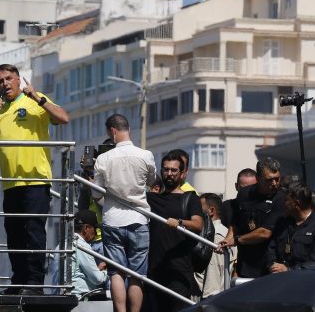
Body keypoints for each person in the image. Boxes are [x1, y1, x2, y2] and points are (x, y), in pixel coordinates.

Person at [0, 64, 69, 295]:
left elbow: (63, 118)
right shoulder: (0, 109)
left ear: (19, 79)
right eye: (0, 81)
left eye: (9, 78)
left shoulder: (34, 100)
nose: (5, 84)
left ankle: (35, 283)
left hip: (35, 180)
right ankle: (18, 281)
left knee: (33, 232)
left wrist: (38, 98)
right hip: (11, 183)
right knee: (14, 234)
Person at [92, 114, 155, 312]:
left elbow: (96, 193)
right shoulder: (146, 155)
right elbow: (151, 181)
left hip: (112, 219)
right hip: (139, 218)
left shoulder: (103, 158)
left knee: (116, 273)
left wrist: (107, 203)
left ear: (112, 131)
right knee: (137, 275)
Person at [145, 151, 204, 311]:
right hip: (155, 268)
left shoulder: (190, 198)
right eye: (166, 169)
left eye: (173, 170)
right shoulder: (152, 198)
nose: (169, 173)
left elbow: (198, 224)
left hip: (180, 268)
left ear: (182, 173)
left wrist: (179, 222)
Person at [220, 157, 286, 278]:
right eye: (269, 180)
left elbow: (265, 233)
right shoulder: (244, 194)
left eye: (277, 179)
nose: (274, 183)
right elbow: (235, 222)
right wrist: (228, 239)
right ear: (258, 178)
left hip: (270, 263)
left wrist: (237, 240)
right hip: (246, 262)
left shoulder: (281, 198)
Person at [266, 183, 315, 273]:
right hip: (278, 277)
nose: (283, 204)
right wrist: (273, 264)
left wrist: (288, 270)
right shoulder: (282, 222)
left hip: (305, 278)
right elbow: (271, 248)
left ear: (297, 204)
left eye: (286, 200)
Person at [195, 193, 233, 299]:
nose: (195, 211)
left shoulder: (216, 236)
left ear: (211, 211)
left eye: (198, 208)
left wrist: (208, 302)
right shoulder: (222, 233)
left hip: (208, 300)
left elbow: (213, 280)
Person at [72, 210, 108, 299]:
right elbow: (98, 279)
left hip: (61, 295)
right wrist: (108, 271)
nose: (95, 232)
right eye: (94, 228)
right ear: (86, 228)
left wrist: (97, 269)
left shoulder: (63, 244)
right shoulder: (82, 246)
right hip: (79, 297)